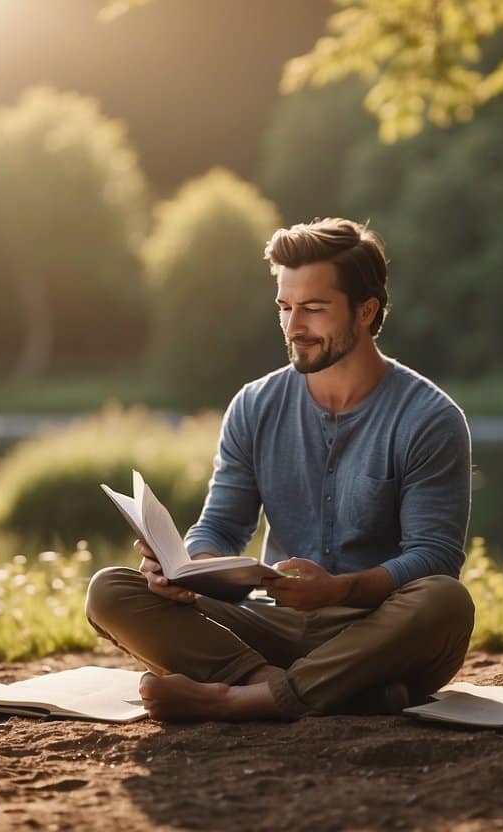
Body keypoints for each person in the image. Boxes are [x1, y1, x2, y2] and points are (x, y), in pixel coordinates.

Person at [86, 217, 474, 721]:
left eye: (313, 309)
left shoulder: (430, 418)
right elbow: (222, 527)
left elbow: (434, 558)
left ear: (366, 311)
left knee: (445, 602)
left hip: (376, 629)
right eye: (286, 308)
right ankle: (294, 689)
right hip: (269, 623)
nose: (294, 328)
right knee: (111, 590)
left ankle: (238, 697)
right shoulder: (254, 405)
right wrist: (186, 570)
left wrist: (340, 589)